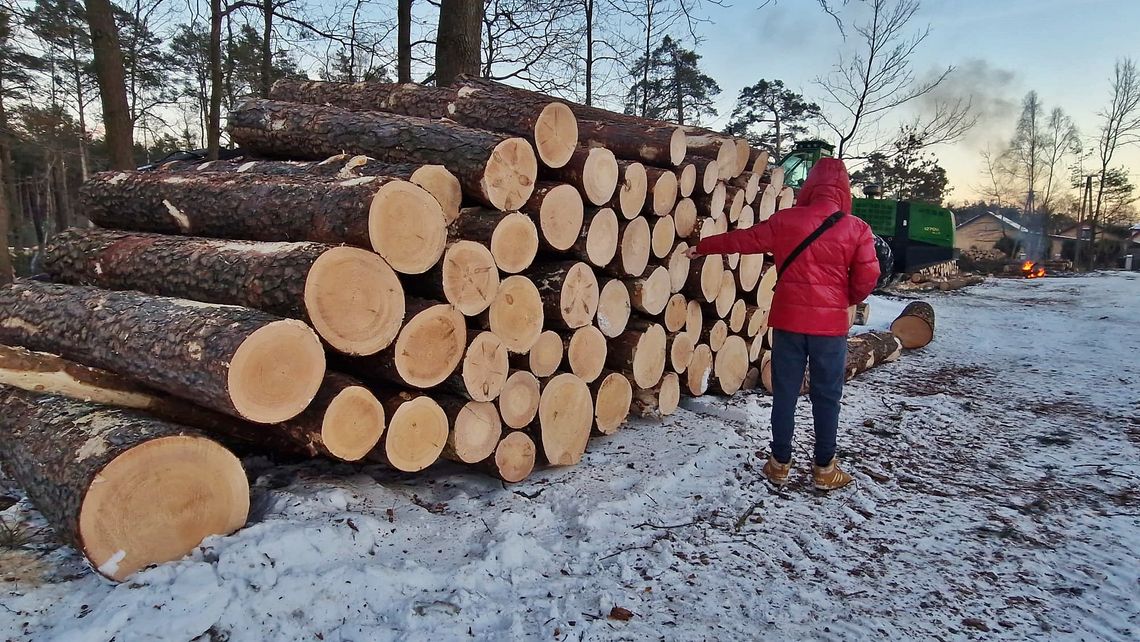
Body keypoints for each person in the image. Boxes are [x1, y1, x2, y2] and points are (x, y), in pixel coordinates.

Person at [685, 158, 879, 491]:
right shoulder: (857, 228)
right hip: (829, 328)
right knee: (827, 396)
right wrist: (843, 299)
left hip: (789, 321)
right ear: (844, 190)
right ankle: (824, 469)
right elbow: (869, 276)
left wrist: (704, 247)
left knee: (785, 394)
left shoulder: (787, 220)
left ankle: (779, 464)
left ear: (811, 186)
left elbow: (743, 240)